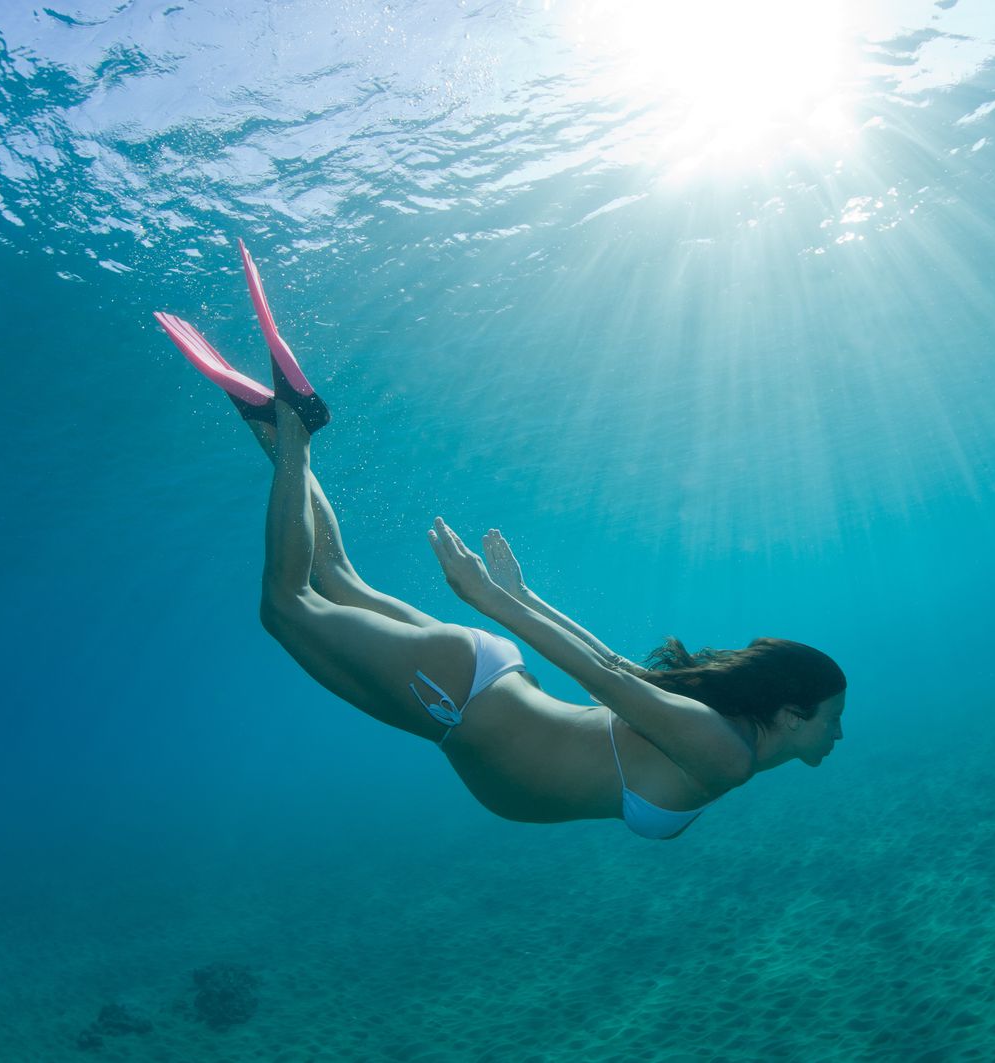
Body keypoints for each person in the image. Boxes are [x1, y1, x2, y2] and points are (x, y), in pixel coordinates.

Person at [156, 241, 847, 840]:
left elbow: (611, 664)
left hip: (484, 680)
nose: (839, 735)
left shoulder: (713, 727)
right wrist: (495, 600)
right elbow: (601, 675)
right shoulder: (725, 754)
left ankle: (282, 430)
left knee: (337, 577)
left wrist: (521, 597)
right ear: (793, 711)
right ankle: (294, 434)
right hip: (459, 695)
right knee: (286, 605)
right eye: (833, 720)